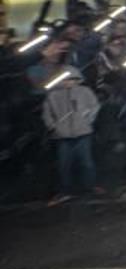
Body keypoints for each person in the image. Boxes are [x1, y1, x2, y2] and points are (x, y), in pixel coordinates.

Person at [41, 66, 101, 206]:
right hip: (63, 135)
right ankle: (65, 191)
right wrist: (53, 126)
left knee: (86, 162)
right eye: (65, 80)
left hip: (82, 132)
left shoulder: (84, 92)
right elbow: (47, 113)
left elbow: (94, 106)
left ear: (77, 80)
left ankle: (89, 186)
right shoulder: (53, 95)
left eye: (72, 79)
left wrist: (88, 119)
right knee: (64, 164)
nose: (68, 82)